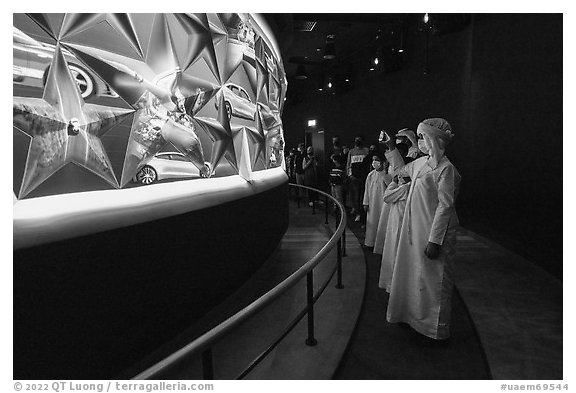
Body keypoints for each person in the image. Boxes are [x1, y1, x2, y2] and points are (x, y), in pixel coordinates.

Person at [384, 118, 461, 341]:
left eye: (422, 137)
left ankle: (433, 329)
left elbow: (445, 206)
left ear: (433, 140)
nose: (420, 142)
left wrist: (435, 240)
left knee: (432, 281)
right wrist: (391, 148)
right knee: (412, 276)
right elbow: (400, 171)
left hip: (430, 234)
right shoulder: (422, 164)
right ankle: (412, 318)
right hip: (413, 232)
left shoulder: (445, 169)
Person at [378, 174, 411, 291]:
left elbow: (386, 197)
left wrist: (393, 182)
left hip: (398, 223)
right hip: (399, 222)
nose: (399, 178)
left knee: (394, 252)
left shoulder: (405, 188)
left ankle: (392, 284)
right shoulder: (409, 186)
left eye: (401, 176)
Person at [362, 154, 392, 248]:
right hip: (372, 203)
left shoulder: (387, 174)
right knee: (372, 222)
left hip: (384, 203)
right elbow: (366, 189)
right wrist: (365, 202)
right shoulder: (370, 175)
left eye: (377, 160)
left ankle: (381, 245)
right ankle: (370, 243)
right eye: (373, 160)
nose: (374, 162)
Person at [346, 135, 370, 222]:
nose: (357, 141)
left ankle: (361, 213)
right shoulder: (351, 151)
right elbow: (348, 164)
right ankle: (356, 211)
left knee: (362, 196)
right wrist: (350, 175)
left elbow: (369, 164)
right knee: (355, 195)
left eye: (359, 140)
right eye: (356, 140)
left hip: (364, 177)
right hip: (354, 177)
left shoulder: (366, 150)